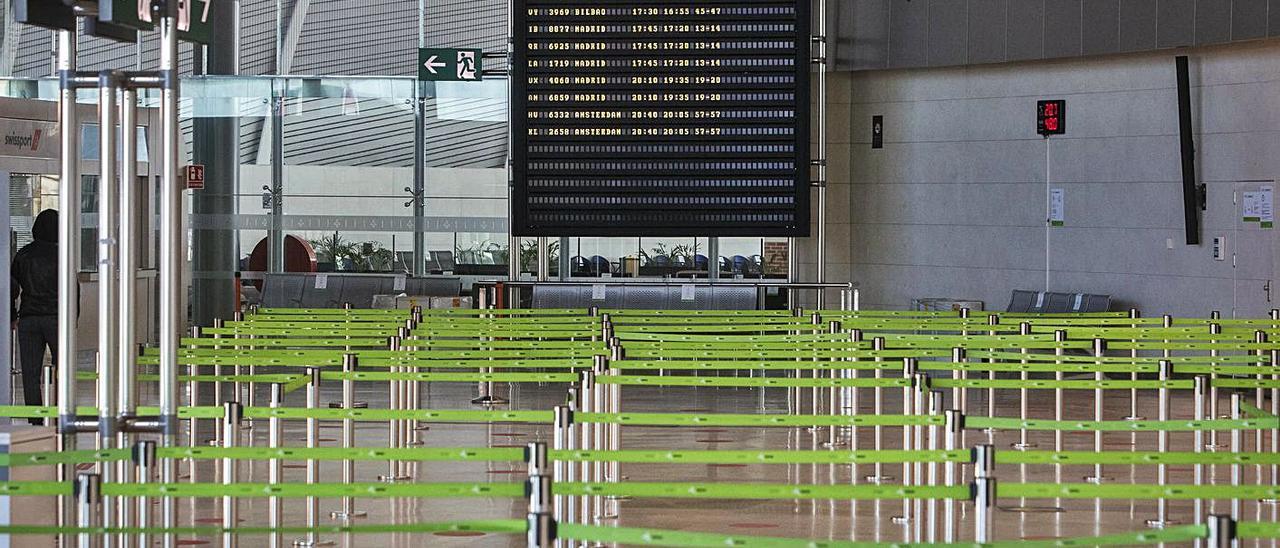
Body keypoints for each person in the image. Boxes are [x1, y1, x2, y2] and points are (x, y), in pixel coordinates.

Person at [11, 210, 61, 425]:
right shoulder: (63, 255)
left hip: (29, 318)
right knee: (63, 370)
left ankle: (36, 420)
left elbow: (11, 289)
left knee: (31, 374)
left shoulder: (23, 254)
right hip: (56, 319)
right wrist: (73, 320)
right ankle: (62, 413)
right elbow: (73, 290)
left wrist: (12, 316)